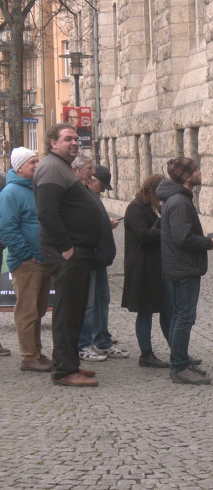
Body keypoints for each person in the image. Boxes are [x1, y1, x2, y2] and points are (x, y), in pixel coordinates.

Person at [35, 123, 104, 387]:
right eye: (68, 139)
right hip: (65, 252)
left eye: (76, 139)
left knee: (74, 310)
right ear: (53, 142)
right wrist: (66, 247)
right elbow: (47, 213)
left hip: (75, 250)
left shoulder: (60, 166)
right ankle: (64, 370)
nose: (74, 143)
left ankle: (70, 362)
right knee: (67, 311)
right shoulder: (51, 167)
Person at [158, 157, 213, 385]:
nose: (200, 172)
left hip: (180, 266)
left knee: (180, 316)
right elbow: (182, 238)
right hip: (183, 268)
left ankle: (181, 362)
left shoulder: (178, 199)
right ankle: (179, 368)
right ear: (186, 177)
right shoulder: (178, 202)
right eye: (196, 170)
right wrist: (208, 243)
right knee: (183, 318)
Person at [0, 147, 52, 371]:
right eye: (32, 162)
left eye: (37, 161)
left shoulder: (35, 188)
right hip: (27, 263)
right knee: (27, 311)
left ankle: (37, 353)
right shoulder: (10, 193)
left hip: (42, 259)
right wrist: (26, 256)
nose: (36, 165)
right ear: (19, 167)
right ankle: (28, 357)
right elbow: (6, 228)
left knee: (38, 310)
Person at [77, 165, 127, 362]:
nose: (103, 189)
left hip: (100, 258)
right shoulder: (82, 195)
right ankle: (83, 344)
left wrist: (106, 222)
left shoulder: (93, 196)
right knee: (89, 304)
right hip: (90, 257)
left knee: (101, 301)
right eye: (101, 184)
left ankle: (101, 340)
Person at [121, 174, 171, 368]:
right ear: (151, 190)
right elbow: (143, 234)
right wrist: (166, 230)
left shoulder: (153, 206)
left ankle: (176, 349)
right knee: (145, 311)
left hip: (156, 266)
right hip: (141, 267)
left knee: (166, 308)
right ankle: (146, 353)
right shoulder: (136, 207)